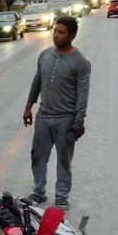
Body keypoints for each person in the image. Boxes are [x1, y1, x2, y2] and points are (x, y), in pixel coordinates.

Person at [22, 15, 91, 211]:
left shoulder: (81, 62)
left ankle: (61, 196)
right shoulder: (44, 55)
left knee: (64, 160)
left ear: (72, 36)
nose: (55, 35)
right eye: (55, 31)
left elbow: (83, 94)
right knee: (38, 156)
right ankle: (38, 191)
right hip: (43, 116)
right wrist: (28, 107)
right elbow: (37, 81)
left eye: (61, 32)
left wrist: (79, 121)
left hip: (66, 119)